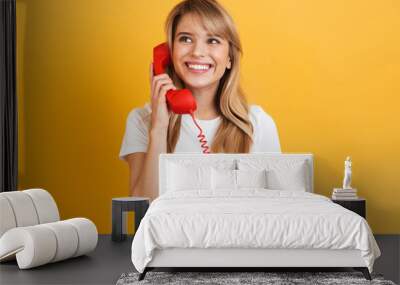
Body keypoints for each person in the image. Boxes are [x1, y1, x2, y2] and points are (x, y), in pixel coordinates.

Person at [119, 0, 281, 200]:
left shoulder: (256, 123)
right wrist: (159, 128)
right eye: (186, 39)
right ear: (169, 53)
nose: (197, 52)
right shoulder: (142, 120)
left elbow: (274, 209)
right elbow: (142, 210)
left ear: (229, 58)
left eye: (213, 40)